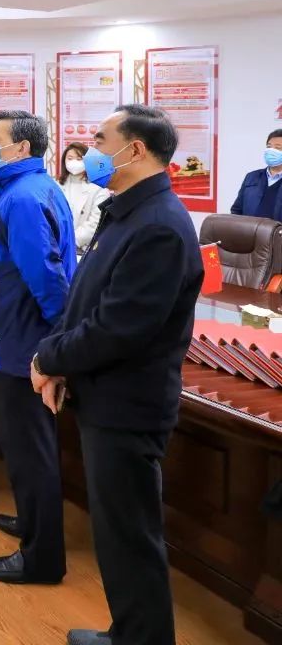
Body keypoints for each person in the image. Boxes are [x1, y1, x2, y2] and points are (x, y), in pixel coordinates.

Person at [32, 105, 204, 645]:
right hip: (104, 393)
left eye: (101, 139)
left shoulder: (160, 226)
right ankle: (129, 633)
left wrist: (50, 359)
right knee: (116, 533)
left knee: (130, 537)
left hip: (128, 405)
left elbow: (118, 328)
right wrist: (58, 357)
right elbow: (86, 298)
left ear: (135, 150)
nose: (91, 150)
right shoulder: (127, 211)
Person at [0, 110, 76, 586]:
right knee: (24, 448)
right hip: (13, 338)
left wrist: (59, 343)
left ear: (22, 149)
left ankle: (41, 558)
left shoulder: (24, 199)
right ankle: (32, 521)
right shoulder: (29, 189)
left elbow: (47, 279)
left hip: (20, 344)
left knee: (30, 452)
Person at [59, 142, 109, 256]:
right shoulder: (56, 185)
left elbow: (95, 222)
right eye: (70, 158)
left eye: (79, 159)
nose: (74, 162)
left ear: (88, 161)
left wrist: (71, 241)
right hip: (59, 246)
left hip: (85, 249)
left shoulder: (98, 188)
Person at [231, 128, 282, 221]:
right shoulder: (251, 177)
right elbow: (237, 210)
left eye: (277, 148)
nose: (271, 151)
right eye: (269, 147)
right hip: (249, 230)